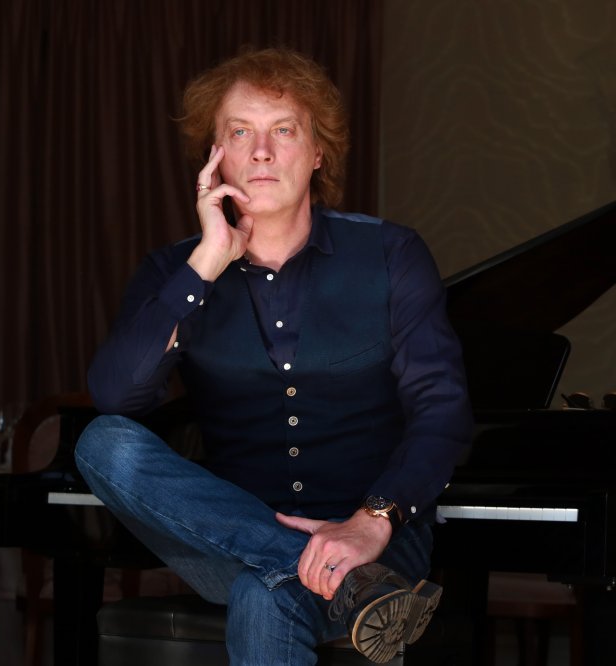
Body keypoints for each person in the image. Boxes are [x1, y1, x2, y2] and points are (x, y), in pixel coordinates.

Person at [75, 47, 472, 665]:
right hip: (227, 538)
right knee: (103, 442)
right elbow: (115, 394)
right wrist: (206, 263)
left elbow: (442, 410)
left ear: (317, 154)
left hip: (379, 538)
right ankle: (353, 588)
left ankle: (341, 571)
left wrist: (371, 520)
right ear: (216, 156)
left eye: (283, 131)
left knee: (263, 592)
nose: (261, 151)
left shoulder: (391, 254)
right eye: (240, 133)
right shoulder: (174, 270)